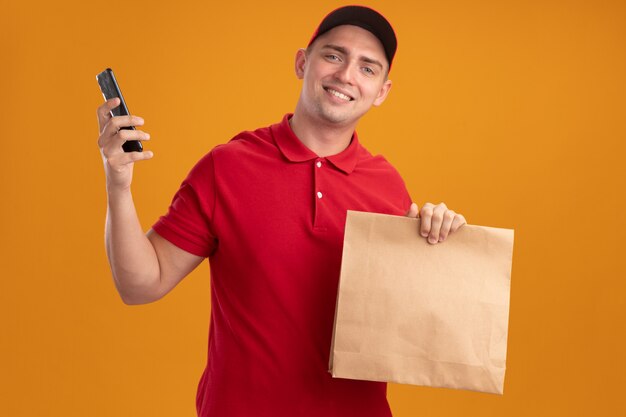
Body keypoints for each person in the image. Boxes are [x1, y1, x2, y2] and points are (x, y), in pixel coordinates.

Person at [96, 5, 466, 417]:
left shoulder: (388, 186)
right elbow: (142, 285)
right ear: (302, 62)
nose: (346, 75)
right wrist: (119, 184)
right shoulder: (228, 167)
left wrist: (442, 245)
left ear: (382, 91)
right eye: (334, 55)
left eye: (367, 68)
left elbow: (411, 330)